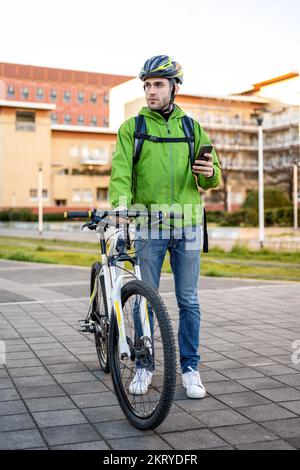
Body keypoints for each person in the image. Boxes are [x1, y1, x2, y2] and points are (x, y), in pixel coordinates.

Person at [109, 55, 221, 398]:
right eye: (147, 85)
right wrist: (121, 209)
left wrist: (210, 173)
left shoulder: (191, 126)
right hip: (149, 226)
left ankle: (190, 369)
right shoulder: (133, 128)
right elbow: (121, 175)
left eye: (158, 84)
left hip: (187, 226)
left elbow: (213, 173)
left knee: (189, 300)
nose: (151, 91)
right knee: (145, 299)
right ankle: (144, 365)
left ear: (174, 87)